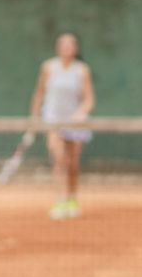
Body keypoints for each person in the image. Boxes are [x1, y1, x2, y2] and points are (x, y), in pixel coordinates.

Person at [30, 33, 95, 220]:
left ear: (76, 49)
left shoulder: (82, 70)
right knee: (59, 160)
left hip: (76, 123)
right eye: (63, 45)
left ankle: (72, 198)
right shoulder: (48, 67)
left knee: (73, 164)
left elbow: (89, 99)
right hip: (53, 121)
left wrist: (80, 114)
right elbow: (40, 93)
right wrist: (34, 116)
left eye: (70, 45)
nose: (67, 48)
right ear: (58, 48)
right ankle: (60, 199)